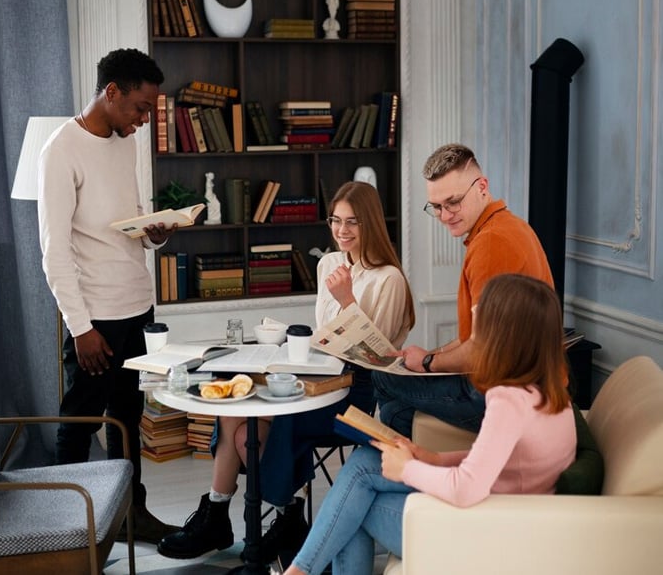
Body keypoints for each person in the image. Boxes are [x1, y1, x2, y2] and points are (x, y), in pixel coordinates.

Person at [158, 180, 415, 564]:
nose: (341, 230)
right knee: (237, 414)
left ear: (371, 223)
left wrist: (347, 299)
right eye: (335, 220)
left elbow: (377, 356)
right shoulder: (329, 263)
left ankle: (282, 517)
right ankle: (226, 513)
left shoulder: (388, 278)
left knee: (265, 423)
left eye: (352, 222)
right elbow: (326, 335)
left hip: (355, 391)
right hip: (319, 373)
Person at [283, 273, 577, 575]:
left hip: (486, 535)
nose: (473, 310)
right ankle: (300, 570)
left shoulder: (509, 401)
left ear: (503, 332)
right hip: (500, 518)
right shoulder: (548, 393)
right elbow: (508, 464)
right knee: (365, 462)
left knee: (354, 506)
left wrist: (408, 468)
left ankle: (300, 570)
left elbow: (465, 489)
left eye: (483, 307)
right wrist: (432, 458)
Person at [38, 48, 179, 543]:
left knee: (127, 420)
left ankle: (129, 516)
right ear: (111, 92)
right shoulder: (60, 150)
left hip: (138, 307)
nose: (144, 120)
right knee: (79, 424)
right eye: (141, 108)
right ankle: (71, 531)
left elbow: (129, 219)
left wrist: (153, 235)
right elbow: (54, 253)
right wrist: (80, 328)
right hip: (95, 319)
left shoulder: (125, 142)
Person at [373, 143, 554, 436]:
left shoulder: (492, 243)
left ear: (482, 187)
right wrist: (429, 355)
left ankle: (409, 461)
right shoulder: (510, 226)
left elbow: (481, 350)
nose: (445, 216)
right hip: (522, 387)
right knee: (396, 407)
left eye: (453, 202)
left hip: (505, 396)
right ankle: (414, 455)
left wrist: (428, 363)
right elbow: (476, 336)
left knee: (383, 380)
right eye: (436, 207)